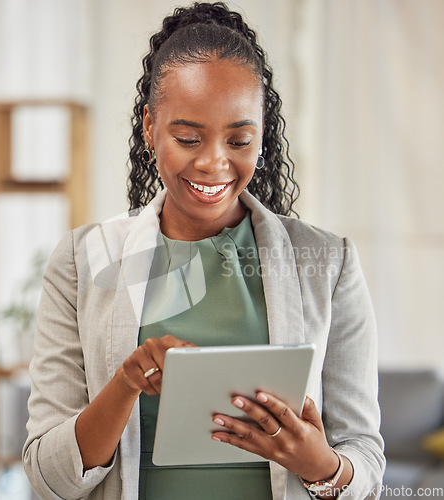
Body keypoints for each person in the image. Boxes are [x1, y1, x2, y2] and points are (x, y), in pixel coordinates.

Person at [23, 2, 385, 499]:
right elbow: (47, 478)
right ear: (150, 127)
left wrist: (319, 465)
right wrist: (125, 383)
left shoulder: (329, 264)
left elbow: (366, 461)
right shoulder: (82, 261)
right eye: (189, 137)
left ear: (263, 135)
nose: (214, 163)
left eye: (239, 140)